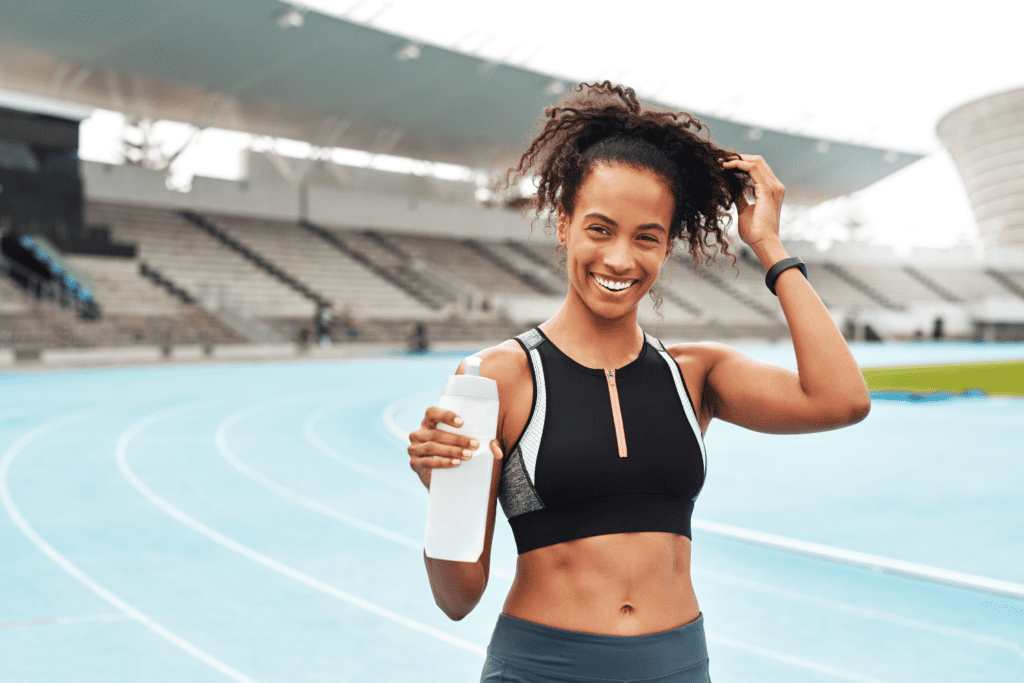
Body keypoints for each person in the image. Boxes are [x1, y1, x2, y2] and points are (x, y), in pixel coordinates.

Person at [407, 82, 870, 683]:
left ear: (669, 243)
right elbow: (456, 598)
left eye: (646, 236)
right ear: (565, 225)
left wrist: (768, 244)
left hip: (678, 666)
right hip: (544, 668)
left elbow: (842, 400)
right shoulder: (495, 378)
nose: (621, 259)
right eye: (600, 229)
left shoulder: (696, 375)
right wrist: (444, 493)